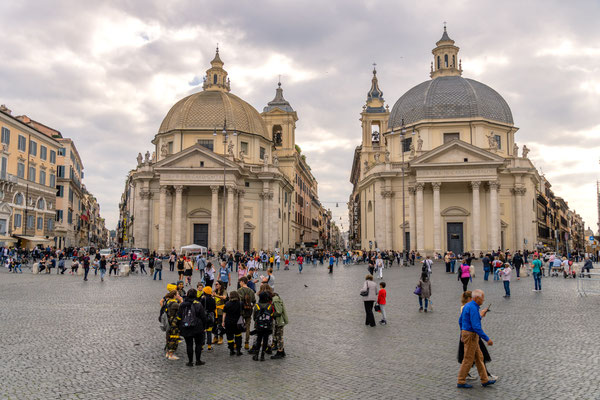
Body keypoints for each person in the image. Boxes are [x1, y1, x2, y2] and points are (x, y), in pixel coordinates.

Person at [457, 289, 495, 388]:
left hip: (468, 333)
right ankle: (461, 381)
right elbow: (476, 326)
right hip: (471, 335)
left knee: (479, 357)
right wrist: (487, 339)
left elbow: (460, 320)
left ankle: (484, 379)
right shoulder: (473, 308)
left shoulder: (468, 306)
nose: (483, 300)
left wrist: (462, 333)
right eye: (482, 298)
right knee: (468, 359)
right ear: (477, 298)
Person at [177, 289, 207, 366]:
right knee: (198, 344)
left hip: (186, 327)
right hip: (197, 327)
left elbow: (179, 317)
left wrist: (179, 327)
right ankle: (198, 360)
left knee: (189, 345)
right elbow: (203, 317)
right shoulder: (198, 304)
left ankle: (190, 362)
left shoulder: (183, 304)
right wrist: (204, 326)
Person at [252, 291, 274, 361]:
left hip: (259, 326)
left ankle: (256, 355)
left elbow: (254, 317)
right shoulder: (270, 306)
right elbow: (272, 316)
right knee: (265, 340)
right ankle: (262, 356)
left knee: (259, 339)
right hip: (267, 326)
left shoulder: (257, 306)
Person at [222, 290, 244, 356]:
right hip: (238, 322)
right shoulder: (240, 303)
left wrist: (223, 321)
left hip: (228, 322)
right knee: (238, 336)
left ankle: (231, 350)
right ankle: (238, 350)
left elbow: (224, 314)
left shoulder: (227, 304)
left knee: (230, 337)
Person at [238, 276, 256, 349]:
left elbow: (238, 301)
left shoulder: (239, 290)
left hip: (241, 311)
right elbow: (254, 301)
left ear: (242, 282)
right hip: (249, 311)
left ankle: (238, 342)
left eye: (240, 282)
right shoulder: (251, 291)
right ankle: (246, 343)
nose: (239, 283)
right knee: (248, 327)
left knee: (239, 326)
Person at [270, 291, 289, 359]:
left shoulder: (275, 300)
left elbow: (279, 311)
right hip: (279, 320)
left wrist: (272, 314)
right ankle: (282, 351)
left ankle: (280, 352)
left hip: (279, 321)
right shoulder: (276, 298)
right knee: (278, 336)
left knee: (279, 336)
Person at [164, 290, 181, 360]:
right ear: (174, 296)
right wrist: (181, 300)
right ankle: (171, 354)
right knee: (173, 338)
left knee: (169, 337)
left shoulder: (168, 302)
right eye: (178, 294)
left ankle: (167, 353)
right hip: (174, 323)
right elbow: (181, 309)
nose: (179, 295)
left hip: (169, 321)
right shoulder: (175, 304)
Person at [199, 287, 216, 351]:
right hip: (211, 316)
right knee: (209, 332)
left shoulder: (203, 299)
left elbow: (200, 307)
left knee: (203, 332)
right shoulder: (213, 299)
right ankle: (209, 346)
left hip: (204, 316)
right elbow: (214, 307)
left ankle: (202, 346)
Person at [213, 281, 228, 345]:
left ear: (220, 285)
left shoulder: (224, 291)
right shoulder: (214, 291)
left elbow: (224, 297)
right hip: (215, 311)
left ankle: (221, 337)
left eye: (217, 284)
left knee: (220, 325)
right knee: (214, 325)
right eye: (215, 284)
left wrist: (216, 295)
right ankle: (215, 337)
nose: (216, 285)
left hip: (221, 311)